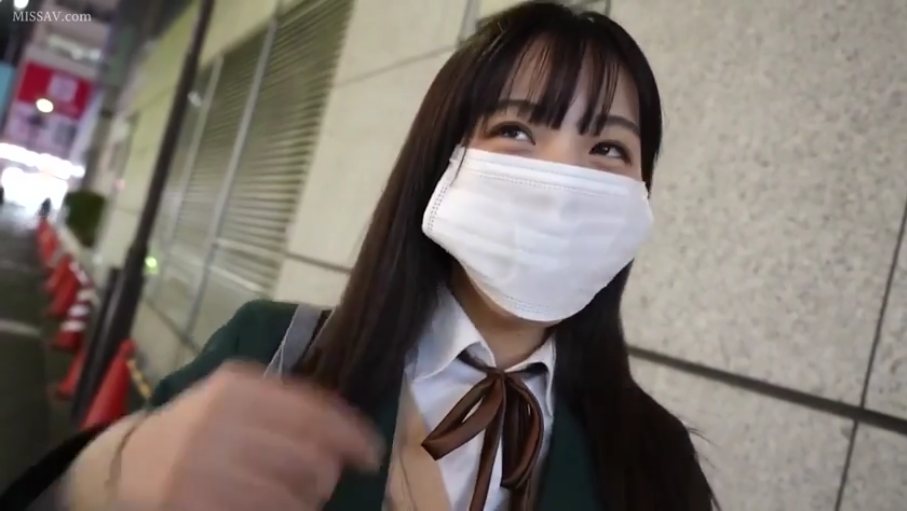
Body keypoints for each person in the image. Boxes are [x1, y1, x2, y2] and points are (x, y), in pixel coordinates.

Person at [62, 2, 719, 510]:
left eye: (608, 149)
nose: (563, 181)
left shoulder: (655, 459)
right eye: (516, 130)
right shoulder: (271, 352)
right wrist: (117, 467)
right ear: (442, 162)